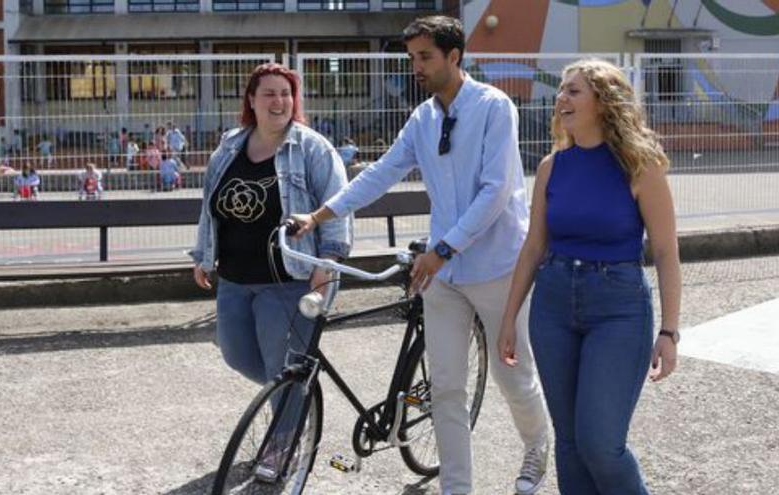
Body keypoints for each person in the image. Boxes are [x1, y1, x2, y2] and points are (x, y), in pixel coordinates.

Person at [292, 16, 550, 495]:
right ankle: (457, 488)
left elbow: (496, 192)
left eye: (425, 57)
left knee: (513, 377)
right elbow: (382, 173)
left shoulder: (494, 107)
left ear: (454, 57)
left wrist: (442, 249)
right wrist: (319, 215)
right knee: (446, 387)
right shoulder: (423, 117)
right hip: (443, 275)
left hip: (498, 268)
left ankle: (537, 446)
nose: (416, 67)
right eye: (412, 58)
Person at [497, 59, 682, 495]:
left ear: (604, 101)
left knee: (600, 444)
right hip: (554, 303)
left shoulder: (641, 165)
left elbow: (665, 250)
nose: (561, 98)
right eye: (561, 90)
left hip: (618, 308)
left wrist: (670, 331)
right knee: (571, 443)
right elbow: (533, 249)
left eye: (574, 91)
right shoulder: (551, 167)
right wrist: (508, 319)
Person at [190, 62, 351, 482]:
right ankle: (296, 400)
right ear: (251, 100)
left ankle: (284, 445)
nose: (279, 101)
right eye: (269, 93)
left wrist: (327, 266)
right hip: (235, 278)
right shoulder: (230, 145)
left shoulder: (312, 148)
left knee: (285, 368)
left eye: (286, 93)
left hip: (289, 280)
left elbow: (336, 208)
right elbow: (211, 202)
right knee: (236, 352)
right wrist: (203, 255)